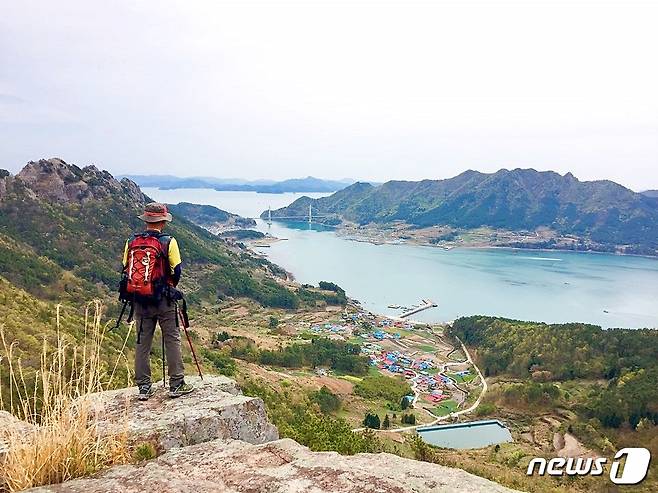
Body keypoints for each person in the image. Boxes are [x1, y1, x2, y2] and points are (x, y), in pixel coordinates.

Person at [122, 202, 194, 400]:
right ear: (162, 221)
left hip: (140, 299)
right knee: (171, 338)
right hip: (164, 299)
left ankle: (144, 387)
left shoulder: (132, 241)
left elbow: (125, 268)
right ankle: (176, 384)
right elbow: (176, 270)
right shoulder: (168, 242)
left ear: (146, 220)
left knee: (142, 342)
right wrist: (168, 286)